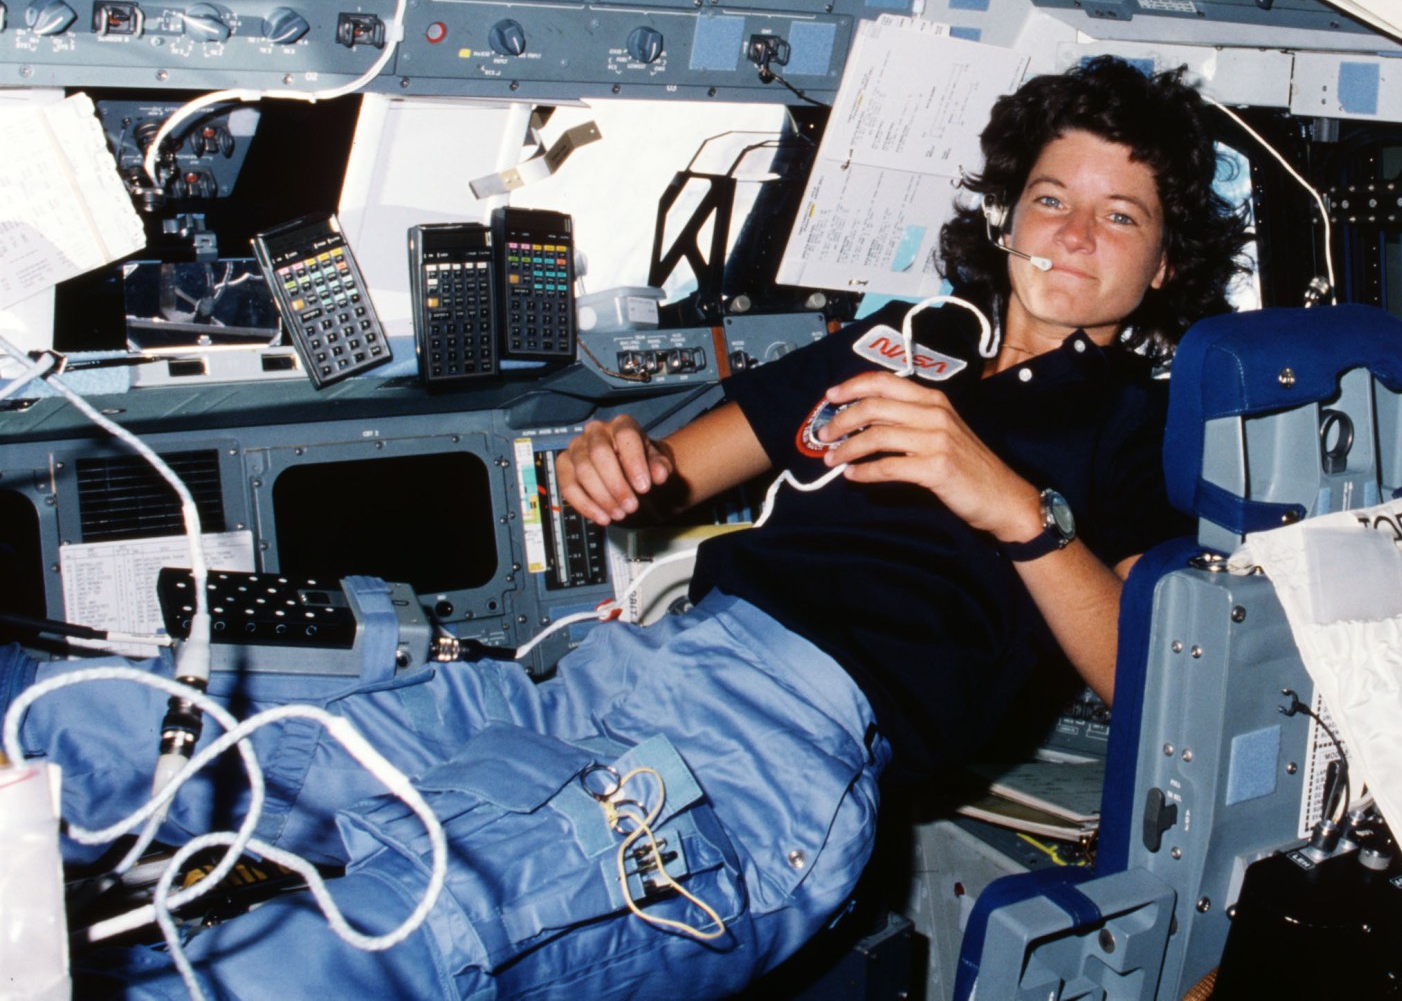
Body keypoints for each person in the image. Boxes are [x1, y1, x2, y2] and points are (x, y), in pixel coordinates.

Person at [1, 56, 1246, 999]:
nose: (1070, 235)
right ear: (1008, 216)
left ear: (1162, 261)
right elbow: (665, 472)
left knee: (373, 947)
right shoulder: (891, 343)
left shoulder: (1143, 433)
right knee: (131, 730)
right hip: (598, 685)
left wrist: (1010, 507)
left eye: (1119, 215)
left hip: (767, 772)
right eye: (1048, 198)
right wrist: (616, 457)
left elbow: (1143, 678)